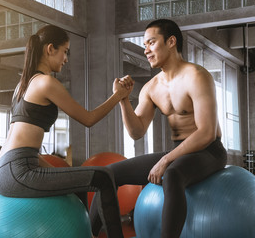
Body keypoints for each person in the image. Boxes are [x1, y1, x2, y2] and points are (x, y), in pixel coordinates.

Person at [0, 24, 133, 238]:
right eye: (64, 51)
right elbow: (88, 119)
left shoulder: (23, 85)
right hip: (17, 171)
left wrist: (62, 173)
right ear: (50, 49)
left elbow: (24, 146)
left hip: (4, 168)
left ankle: (87, 233)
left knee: (79, 180)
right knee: (104, 176)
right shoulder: (46, 83)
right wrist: (118, 95)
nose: (66, 58)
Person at [90, 19, 228, 237]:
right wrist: (123, 100)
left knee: (172, 175)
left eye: (151, 43)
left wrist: (165, 161)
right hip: (179, 151)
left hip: (208, 150)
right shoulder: (151, 87)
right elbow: (136, 132)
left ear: (171, 41)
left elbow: (207, 132)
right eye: (144, 45)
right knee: (107, 175)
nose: (146, 50)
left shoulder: (197, 76)